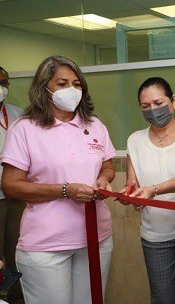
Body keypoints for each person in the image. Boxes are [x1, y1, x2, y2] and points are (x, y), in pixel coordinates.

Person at [0, 55, 115, 303]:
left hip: (97, 238)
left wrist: (103, 180)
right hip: (46, 246)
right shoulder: (24, 128)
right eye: (62, 84)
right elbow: (11, 186)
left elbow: (107, 166)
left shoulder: (94, 125)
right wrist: (64, 190)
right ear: (44, 88)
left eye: (76, 84)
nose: (71, 90)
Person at [122, 77, 175, 304]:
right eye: (146, 106)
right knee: (162, 299)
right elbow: (132, 182)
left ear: (173, 101)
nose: (153, 110)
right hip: (154, 236)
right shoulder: (135, 140)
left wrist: (153, 190)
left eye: (158, 103)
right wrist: (131, 194)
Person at [0, 66, 25, 303]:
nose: (1, 87)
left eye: (4, 83)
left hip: (16, 195)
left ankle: (15, 297)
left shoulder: (17, 114)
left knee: (15, 251)